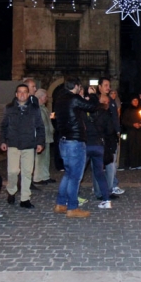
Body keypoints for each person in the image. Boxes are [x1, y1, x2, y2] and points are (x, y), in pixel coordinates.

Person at [53, 77, 98, 217]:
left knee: (68, 173)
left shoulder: (59, 99)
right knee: (75, 176)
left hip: (64, 141)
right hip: (75, 141)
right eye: (80, 87)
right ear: (77, 86)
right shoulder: (73, 98)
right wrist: (93, 95)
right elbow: (92, 106)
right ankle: (72, 208)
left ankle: (61, 204)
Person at [0, 84, 45, 209]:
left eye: (25, 92)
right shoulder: (9, 108)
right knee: (13, 171)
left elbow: (40, 127)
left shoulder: (34, 109)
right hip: (13, 144)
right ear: (16, 94)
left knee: (27, 172)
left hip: (29, 144)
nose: (22, 94)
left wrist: (40, 142)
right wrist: (3, 141)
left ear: (28, 94)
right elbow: (3, 126)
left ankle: (25, 198)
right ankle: (12, 190)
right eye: (20, 92)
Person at [86, 94, 116, 209]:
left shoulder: (85, 113)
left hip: (87, 145)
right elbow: (110, 130)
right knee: (100, 173)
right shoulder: (104, 113)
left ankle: (71, 199)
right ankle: (106, 199)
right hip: (99, 145)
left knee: (77, 174)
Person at [32, 89, 56, 186]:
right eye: (45, 97)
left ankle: (45, 176)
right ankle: (38, 177)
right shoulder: (37, 109)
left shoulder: (43, 108)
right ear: (41, 97)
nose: (46, 99)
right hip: (41, 137)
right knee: (40, 158)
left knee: (45, 158)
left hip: (47, 136)